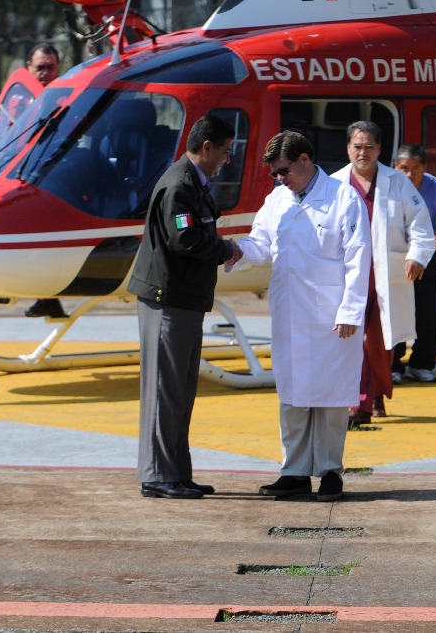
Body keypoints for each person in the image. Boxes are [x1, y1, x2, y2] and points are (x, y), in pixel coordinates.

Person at [231, 131, 370, 502]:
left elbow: (359, 257)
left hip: (332, 317)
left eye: (284, 170)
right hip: (291, 312)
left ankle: (329, 471)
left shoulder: (343, 198)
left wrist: (352, 310)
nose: (280, 179)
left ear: (305, 160)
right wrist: (233, 251)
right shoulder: (278, 200)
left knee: (330, 397)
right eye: (275, 173)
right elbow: (261, 243)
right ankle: (293, 471)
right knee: (292, 393)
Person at [126, 115, 242, 499]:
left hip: (183, 300)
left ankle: (175, 472)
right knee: (165, 389)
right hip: (168, 301)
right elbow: (186, 238)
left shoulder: (193, 182)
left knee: (179, 389)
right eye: (224, 153)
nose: (226, 160)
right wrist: (226, 249)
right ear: (206, 147)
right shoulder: (179, 184)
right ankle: (159, 475)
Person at [332, 122, 435, 426]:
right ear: (348, 148)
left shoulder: (397, 182)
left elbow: (420, 223)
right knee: (354, 339)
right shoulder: (334, 184)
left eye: (369, 147)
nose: (362, 152)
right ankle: (360, 403)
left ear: (379, 149)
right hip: (347, 275)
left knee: (380, 341)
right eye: (357, 146)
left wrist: (417, 255)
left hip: (386, 274)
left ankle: (374, 394)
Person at [390, 144, 436, 383]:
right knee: (395, 310)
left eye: (416, 168)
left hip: (426, 256)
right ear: (395, 167)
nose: (409, 174)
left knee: (429, 312)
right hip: (395, 255)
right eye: (404, 168)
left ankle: (421, 364)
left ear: (424, 168)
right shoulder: (386, 187)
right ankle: (392, 365)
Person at [22, 44, 67, 319]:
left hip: (54, 175)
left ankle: (48, 295)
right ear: (28, 67)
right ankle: (44, 296)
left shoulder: (67, 97)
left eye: (51, 67)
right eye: (40, 67)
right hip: (24, 176)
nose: (45, 73)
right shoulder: (19, 100)